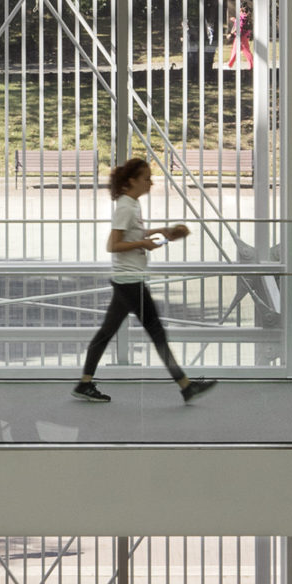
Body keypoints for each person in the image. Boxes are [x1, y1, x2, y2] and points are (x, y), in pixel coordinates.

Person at [73, 156, 215, 405]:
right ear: (131, 181)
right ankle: (186, 386)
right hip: (130, 281)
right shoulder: (126, 207)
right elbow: (113, 245)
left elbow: (134, 233)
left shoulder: (132, 205)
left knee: (107, 332)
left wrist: (162, 232)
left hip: (128, 279)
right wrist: (144, 243)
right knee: (156, 332)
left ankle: (85, 383)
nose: (151, 183)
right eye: (146, 179)